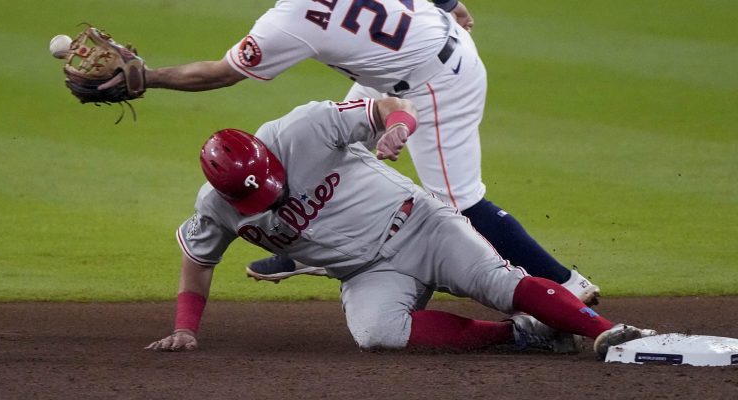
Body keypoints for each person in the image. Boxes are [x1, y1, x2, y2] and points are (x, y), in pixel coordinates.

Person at [117, 0, 599, 303]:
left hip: (434, 88)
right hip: (435, 48)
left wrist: (146, 78)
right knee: (338, 143)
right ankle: (305, 251)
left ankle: (565, 283)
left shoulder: (290, 18)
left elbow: (221, 75)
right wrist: (450, 3)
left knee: (459, 202)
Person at [145, 97, 653, 355]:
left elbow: (393, 105)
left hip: (420, 225)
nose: (269, 195)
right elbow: (197, 258)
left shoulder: (301, 127)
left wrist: (396, 130)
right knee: (378, 335)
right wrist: (185, 329)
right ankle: (520, 336)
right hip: (369, 273)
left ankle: (610, 335)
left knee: (502, 283)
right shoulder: (216, 206)